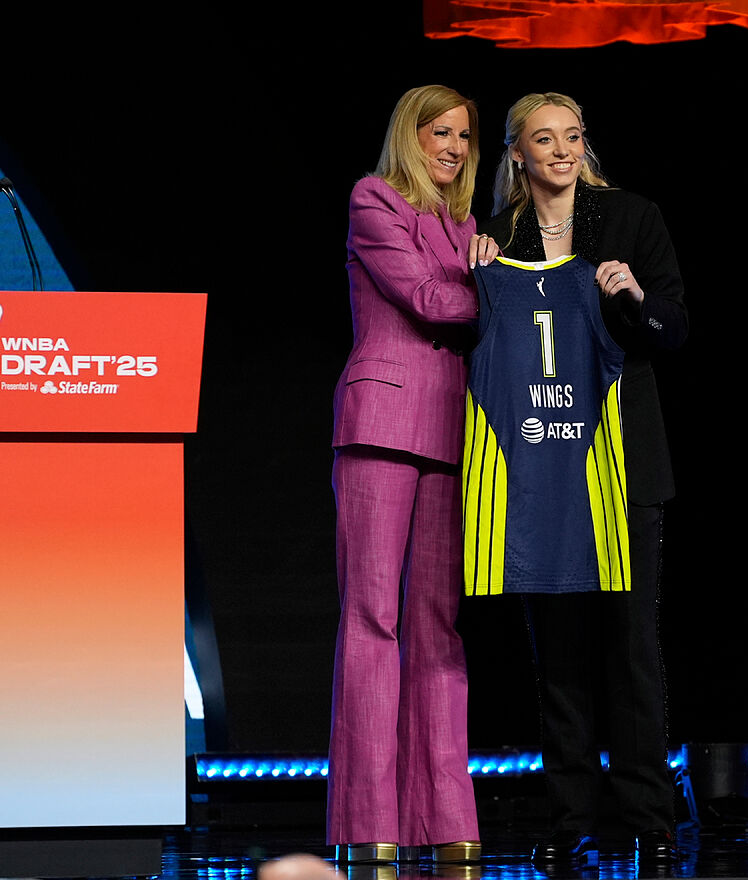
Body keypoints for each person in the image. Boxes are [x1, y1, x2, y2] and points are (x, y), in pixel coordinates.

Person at [477, 92, 689, 868]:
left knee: (631, 645)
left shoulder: (631, 216)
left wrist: (635, 296)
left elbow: (674, 325)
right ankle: (571, 826)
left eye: (572, 137)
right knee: (558, 657)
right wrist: (473, 276)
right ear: (518, 155)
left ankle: (651, 821)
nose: (562, 151)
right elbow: (479, 344)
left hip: (625, 465)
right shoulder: (495, 235)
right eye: (544, 139)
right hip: (540, 471)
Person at [327, 84, 498, 865]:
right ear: (412, 134)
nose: (456, 147)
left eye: (465, 135)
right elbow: (429, 299)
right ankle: (369, 823)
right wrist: (496, 280)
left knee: (438, 629)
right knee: (373, 620)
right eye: (441, 131)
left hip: (451, 434)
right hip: (383, 427)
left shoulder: (467, 225)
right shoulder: (376, 199)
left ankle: (446, 819)